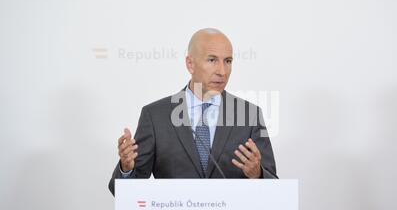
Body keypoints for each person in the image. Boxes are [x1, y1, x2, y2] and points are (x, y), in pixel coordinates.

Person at [108, 28, 277, 195]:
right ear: (190, 64)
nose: (222, 71)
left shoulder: (249, 115)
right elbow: (122, 194)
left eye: (228, 61)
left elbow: (274, 188)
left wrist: (257, 174)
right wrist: (126, 169)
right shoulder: (155, 116)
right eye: (212, 60)